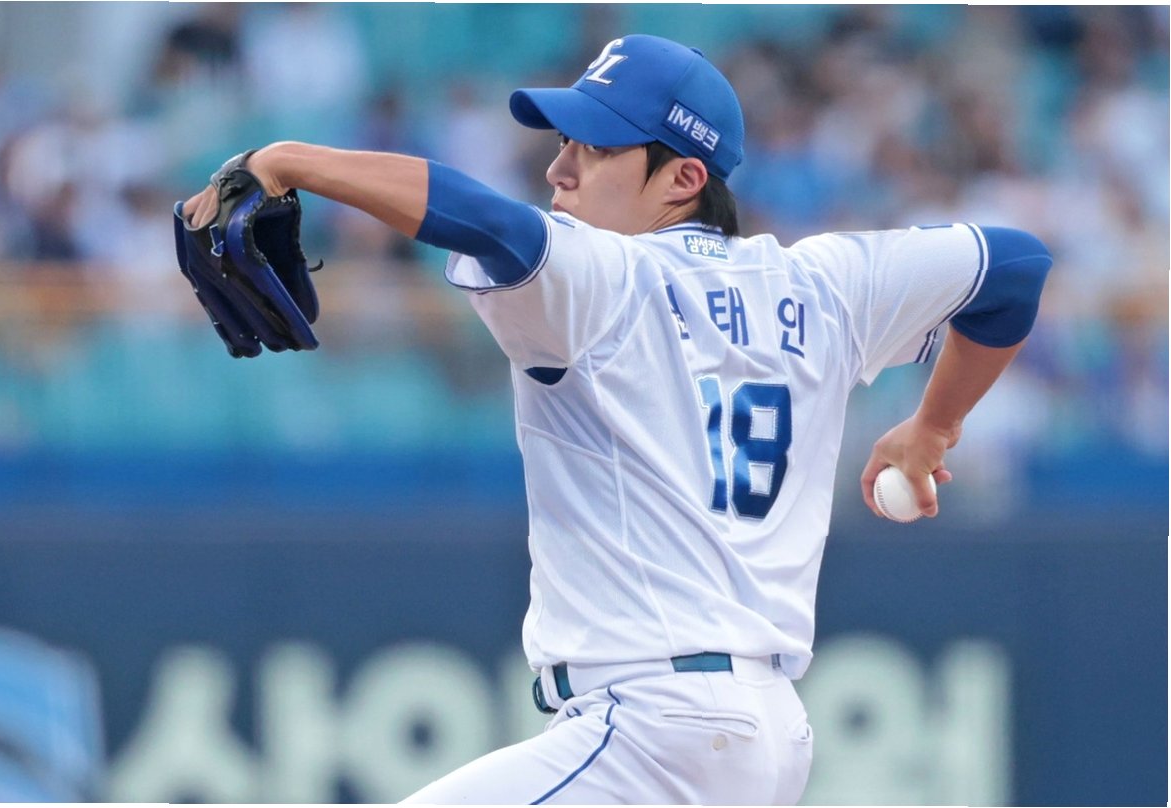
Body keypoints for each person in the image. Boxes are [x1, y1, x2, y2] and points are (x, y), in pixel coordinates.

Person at [183, 34, 1051, 806]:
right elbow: (1013, 268)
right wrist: (935, 426)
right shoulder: (823, 283)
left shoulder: (606, 277)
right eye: (564, 142)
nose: (559, 170)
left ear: (684, 178)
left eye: (595, 149)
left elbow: (490, 223)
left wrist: (287, 159)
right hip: (761, 730)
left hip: (653, 730)